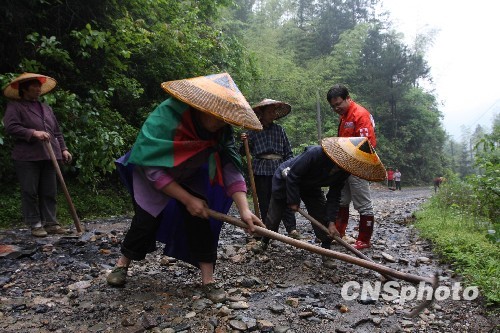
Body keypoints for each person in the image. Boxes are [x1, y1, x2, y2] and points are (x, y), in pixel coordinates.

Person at [106, 73, 265, 291]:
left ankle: (208, 280)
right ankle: (122, 264)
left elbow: (231, 168)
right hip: (153, 172)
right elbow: (150, 167)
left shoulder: (223, 131)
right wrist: (187, 199)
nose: (221, 122)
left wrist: (244, 210)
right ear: (202, 107)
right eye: (217, 116)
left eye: (225, 117)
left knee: (201, 219)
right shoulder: (168, 116)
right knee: (146, 222)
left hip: (190, 173)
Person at [255, 137, 386, 269]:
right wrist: (293, 201)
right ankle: (264, 241)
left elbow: (334, 196)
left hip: (311, 185)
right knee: (274, 215)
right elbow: (293, 175)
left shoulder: (345, 172)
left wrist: (331, 222)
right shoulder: (316, 153)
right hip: (287, 178)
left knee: (321, 215)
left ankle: (326, 250)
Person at [3, 73, 72, 237]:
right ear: (24, 89)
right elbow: (11, 127)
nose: (38, 89)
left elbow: (56, 131)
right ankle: (35, 224)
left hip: (49, 155)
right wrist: (33, 133)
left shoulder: (46, 108)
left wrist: (63, 149)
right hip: (27, 156)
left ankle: (51, 223)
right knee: (30, 191)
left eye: (39, 86)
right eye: (34, 86)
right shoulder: (15, 106)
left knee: (49, 191)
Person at [327, 84, 379, 250]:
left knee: (363, 203)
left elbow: (367, 144)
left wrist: (354, 164)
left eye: (339, 104)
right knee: (342, 200)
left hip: (359, 164)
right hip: (345, 165)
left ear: (348, 99)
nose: (336, 108)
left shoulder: (360, 114)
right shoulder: (344, 116)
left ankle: (364, 239)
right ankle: (339, 234)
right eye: (333, 106)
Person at [241, 99, 300, 239]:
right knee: (265, 199)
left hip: (279, 167)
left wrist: (288, 167)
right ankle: (267, 229)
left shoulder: (279, 130)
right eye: (270, 111)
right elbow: (243, 152)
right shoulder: (253, 131)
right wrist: (244, 141)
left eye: (274, 111)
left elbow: (288, 152)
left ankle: (291, 229)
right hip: (261, 168)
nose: (273, 113)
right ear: (261, 113)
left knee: (284, 198)